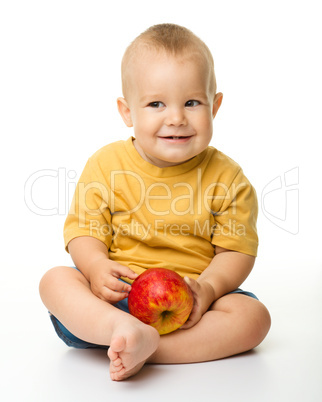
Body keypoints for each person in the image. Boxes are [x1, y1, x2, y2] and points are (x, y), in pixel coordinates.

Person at [39, 23, 271, 381]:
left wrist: (207, 290)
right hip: (118, 300)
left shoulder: (229, 178)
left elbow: (235, 252)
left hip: (193, 307)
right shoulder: (106, 165)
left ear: (216, 105)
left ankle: (142, 346)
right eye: (156, 104)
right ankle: (119, 329)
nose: (176, 118)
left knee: (253, 318)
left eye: (192, 102)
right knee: (55, 280)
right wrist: (96, 267)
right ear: (127, 111)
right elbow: (84, 232)